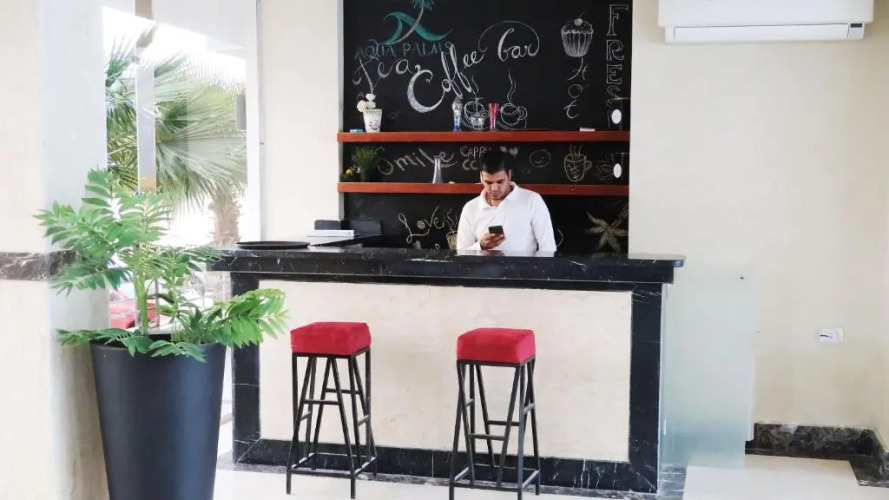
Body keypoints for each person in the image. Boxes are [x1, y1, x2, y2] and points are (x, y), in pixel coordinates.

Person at [456, 149, 557, 252]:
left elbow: (548, 247)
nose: (494, 188)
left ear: (509, 175)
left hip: (524, 263)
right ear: (481, 177)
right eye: (488, 182)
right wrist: (481, 246)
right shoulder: (470, 208)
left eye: (500, 182)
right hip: (482, 263)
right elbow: (461, 252)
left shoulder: (532, 201)